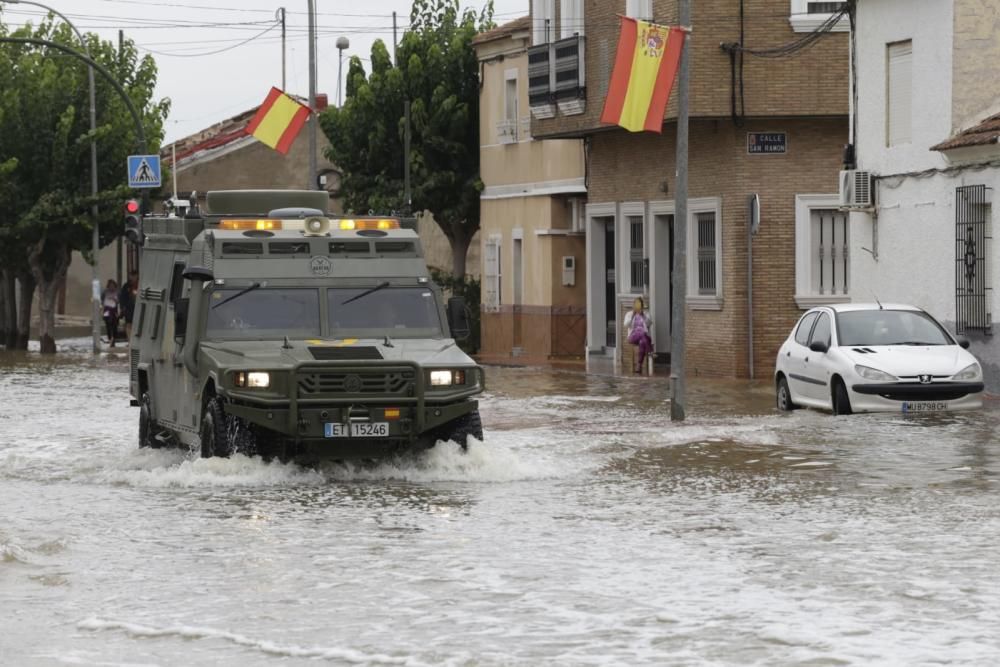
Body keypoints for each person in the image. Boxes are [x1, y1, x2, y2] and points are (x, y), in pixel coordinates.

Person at [624, 296, 653, 374]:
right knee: (643, 334)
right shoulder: (629, 314)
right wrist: (633, 315)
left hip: (643, 337)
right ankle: (650, 351)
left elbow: (649, 323)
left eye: (639, 304)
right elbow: (626, 324)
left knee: (642, 342)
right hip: (632, 336)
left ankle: (639, 365)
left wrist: (643, 315)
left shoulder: (646, 313)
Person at [119, 271, 139, 341]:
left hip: (138, 307)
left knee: (137, 323)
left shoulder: (140, 284)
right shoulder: (126, 286)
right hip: (129, 308)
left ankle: (135, 339)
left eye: (135, 276)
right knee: (129, 323)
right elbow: (122, 297)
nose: (133, 278)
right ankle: (130, 339)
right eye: (132, 276)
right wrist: (122, 307)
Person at [101, 279, 120, 347]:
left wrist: (115, 300)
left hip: (114, 310)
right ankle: (110, 339)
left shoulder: (117, 292)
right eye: (110, 286)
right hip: (107, 310)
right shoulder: (104, 292)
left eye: (113, 286)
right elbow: (102, 301)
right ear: (108, 286)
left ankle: (113, 338)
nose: (112, 287)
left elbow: (119, 302)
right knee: (108, 325)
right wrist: (102, 311)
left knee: (115, 325)